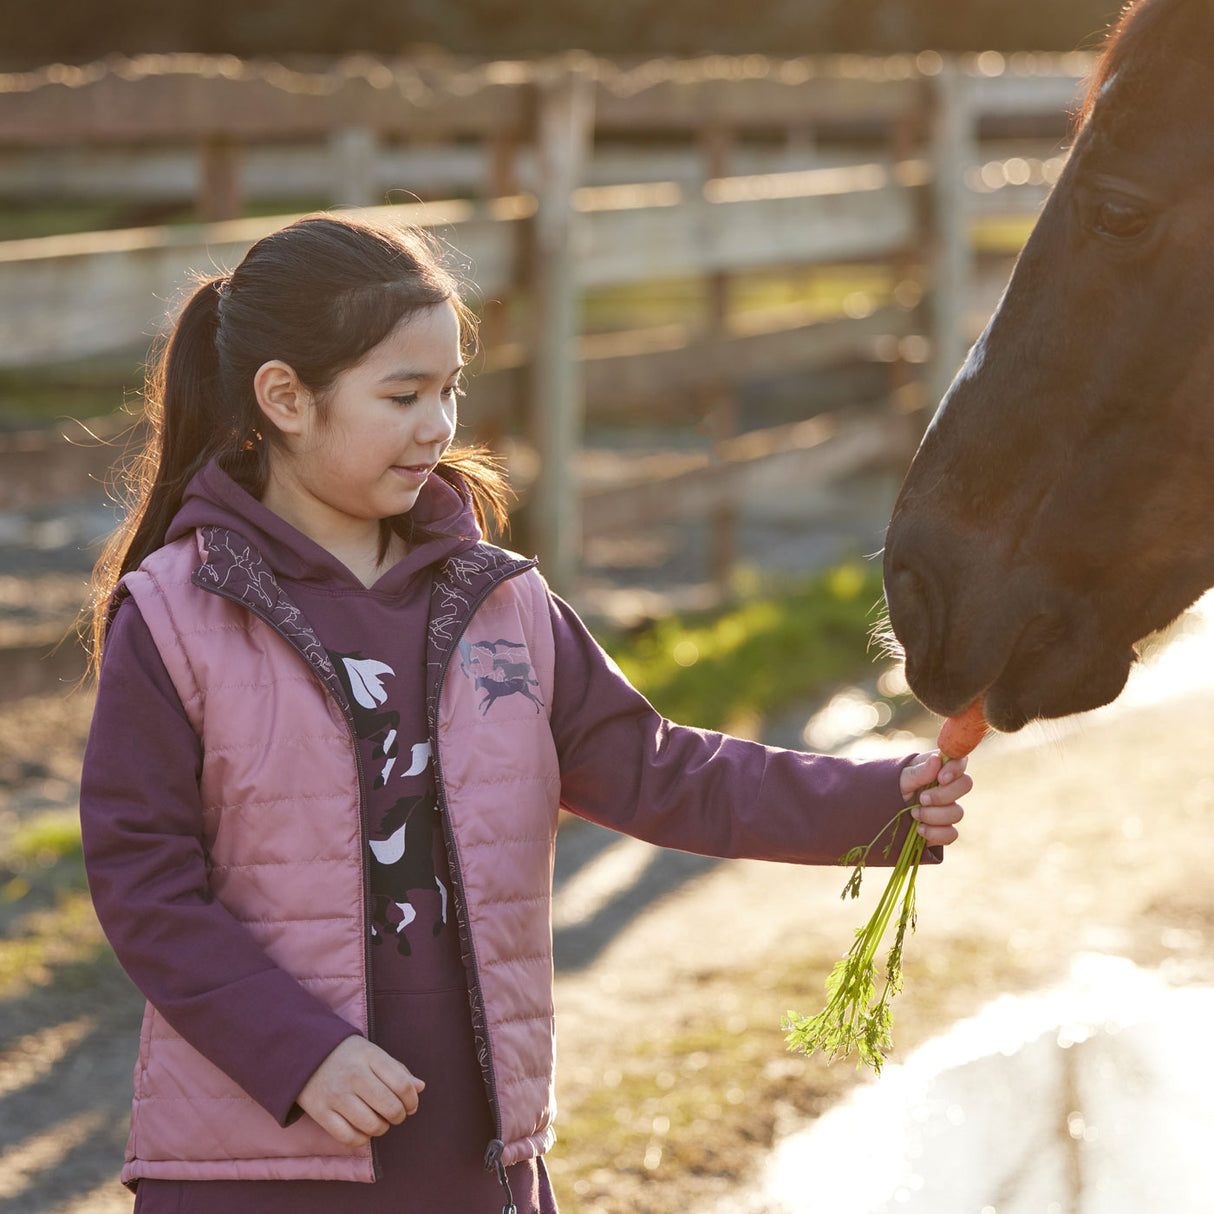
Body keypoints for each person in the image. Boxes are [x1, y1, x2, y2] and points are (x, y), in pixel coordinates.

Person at [78, 212, 971, 1214]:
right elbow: (146, 884)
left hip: (471, 1145)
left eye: (450, 390)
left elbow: (658, 767)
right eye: (402, 394)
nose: (437, 426)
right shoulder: (176, 613)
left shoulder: (499, 600)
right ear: (285, 396)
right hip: (262, 1156)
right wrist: (300, 1054)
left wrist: (874, 802)